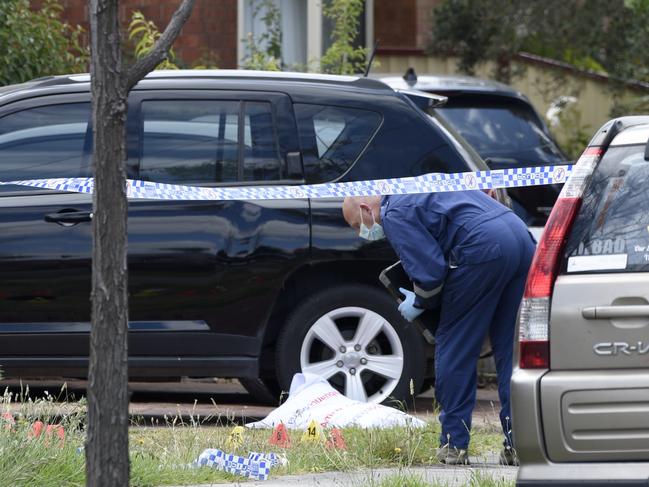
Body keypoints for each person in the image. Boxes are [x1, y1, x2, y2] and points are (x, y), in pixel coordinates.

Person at [342, 191, 535, 465]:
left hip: (484, 248)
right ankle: (519, 445)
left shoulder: (393, 212)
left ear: (365, 208)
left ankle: (453, 445)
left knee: (456, 346)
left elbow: (430, 275)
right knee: (510, 351)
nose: (363, 232)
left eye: (357, 225)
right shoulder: (418, 191)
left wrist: (418, 301)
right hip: (520, 237)